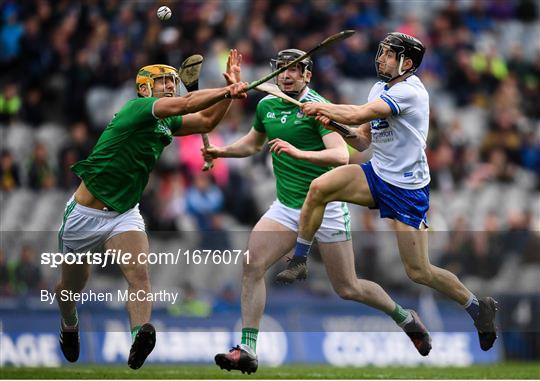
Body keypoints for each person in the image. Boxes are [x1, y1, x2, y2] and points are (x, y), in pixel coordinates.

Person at [207, 48, 431, 375]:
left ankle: (404, 317)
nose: (286, 75)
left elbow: (341, 157)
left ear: (307, 75)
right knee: (252, 264)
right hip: (285, 207)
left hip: (325, 209)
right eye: (281, 69)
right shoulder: (267, 104)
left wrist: (297, 152)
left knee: (348, 288)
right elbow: (254, 144)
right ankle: (248, 348)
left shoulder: (316, 107)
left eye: (294, 71)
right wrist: (221, 150)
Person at [286, 32, 498, 352]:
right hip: (377, 174)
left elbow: (358, 114)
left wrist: (323, 108)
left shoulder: (411, 92)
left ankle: (477, 309)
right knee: (320, 187)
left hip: (405, 188)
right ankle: (299, 259)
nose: (381, 58)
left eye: (388, 54)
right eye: (382, 52)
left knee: (419, 271)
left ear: (406, 63)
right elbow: (362, 138)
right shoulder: (379, 88)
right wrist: (334, 125)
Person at [56, 50, 247, 370]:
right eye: (161, 82)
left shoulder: (166, 120)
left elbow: (206, 119)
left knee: (140, 275)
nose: (170, 85)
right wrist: (226, 90)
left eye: (173, 81)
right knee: (70, 288)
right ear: (143, 89)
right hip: (85, 215)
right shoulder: (139, 108)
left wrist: (229, 93)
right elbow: (189, 104)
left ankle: (138, 335)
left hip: (124, 213)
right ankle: (69, 323)